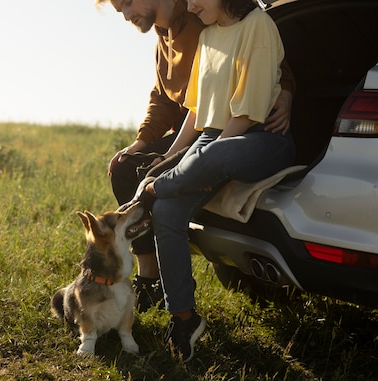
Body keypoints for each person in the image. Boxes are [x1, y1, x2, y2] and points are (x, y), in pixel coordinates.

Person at [97, 0, 295, 314]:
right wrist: (146, 144)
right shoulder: (173, 37)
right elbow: (178, 102)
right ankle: (161, 291)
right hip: (203, 129)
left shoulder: (204, 17)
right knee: (129, 169)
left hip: (238, 128)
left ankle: (145, 198)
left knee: (170, 174)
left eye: (126, 3)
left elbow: (266, 61)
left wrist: (286, 89)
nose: (124, 15)